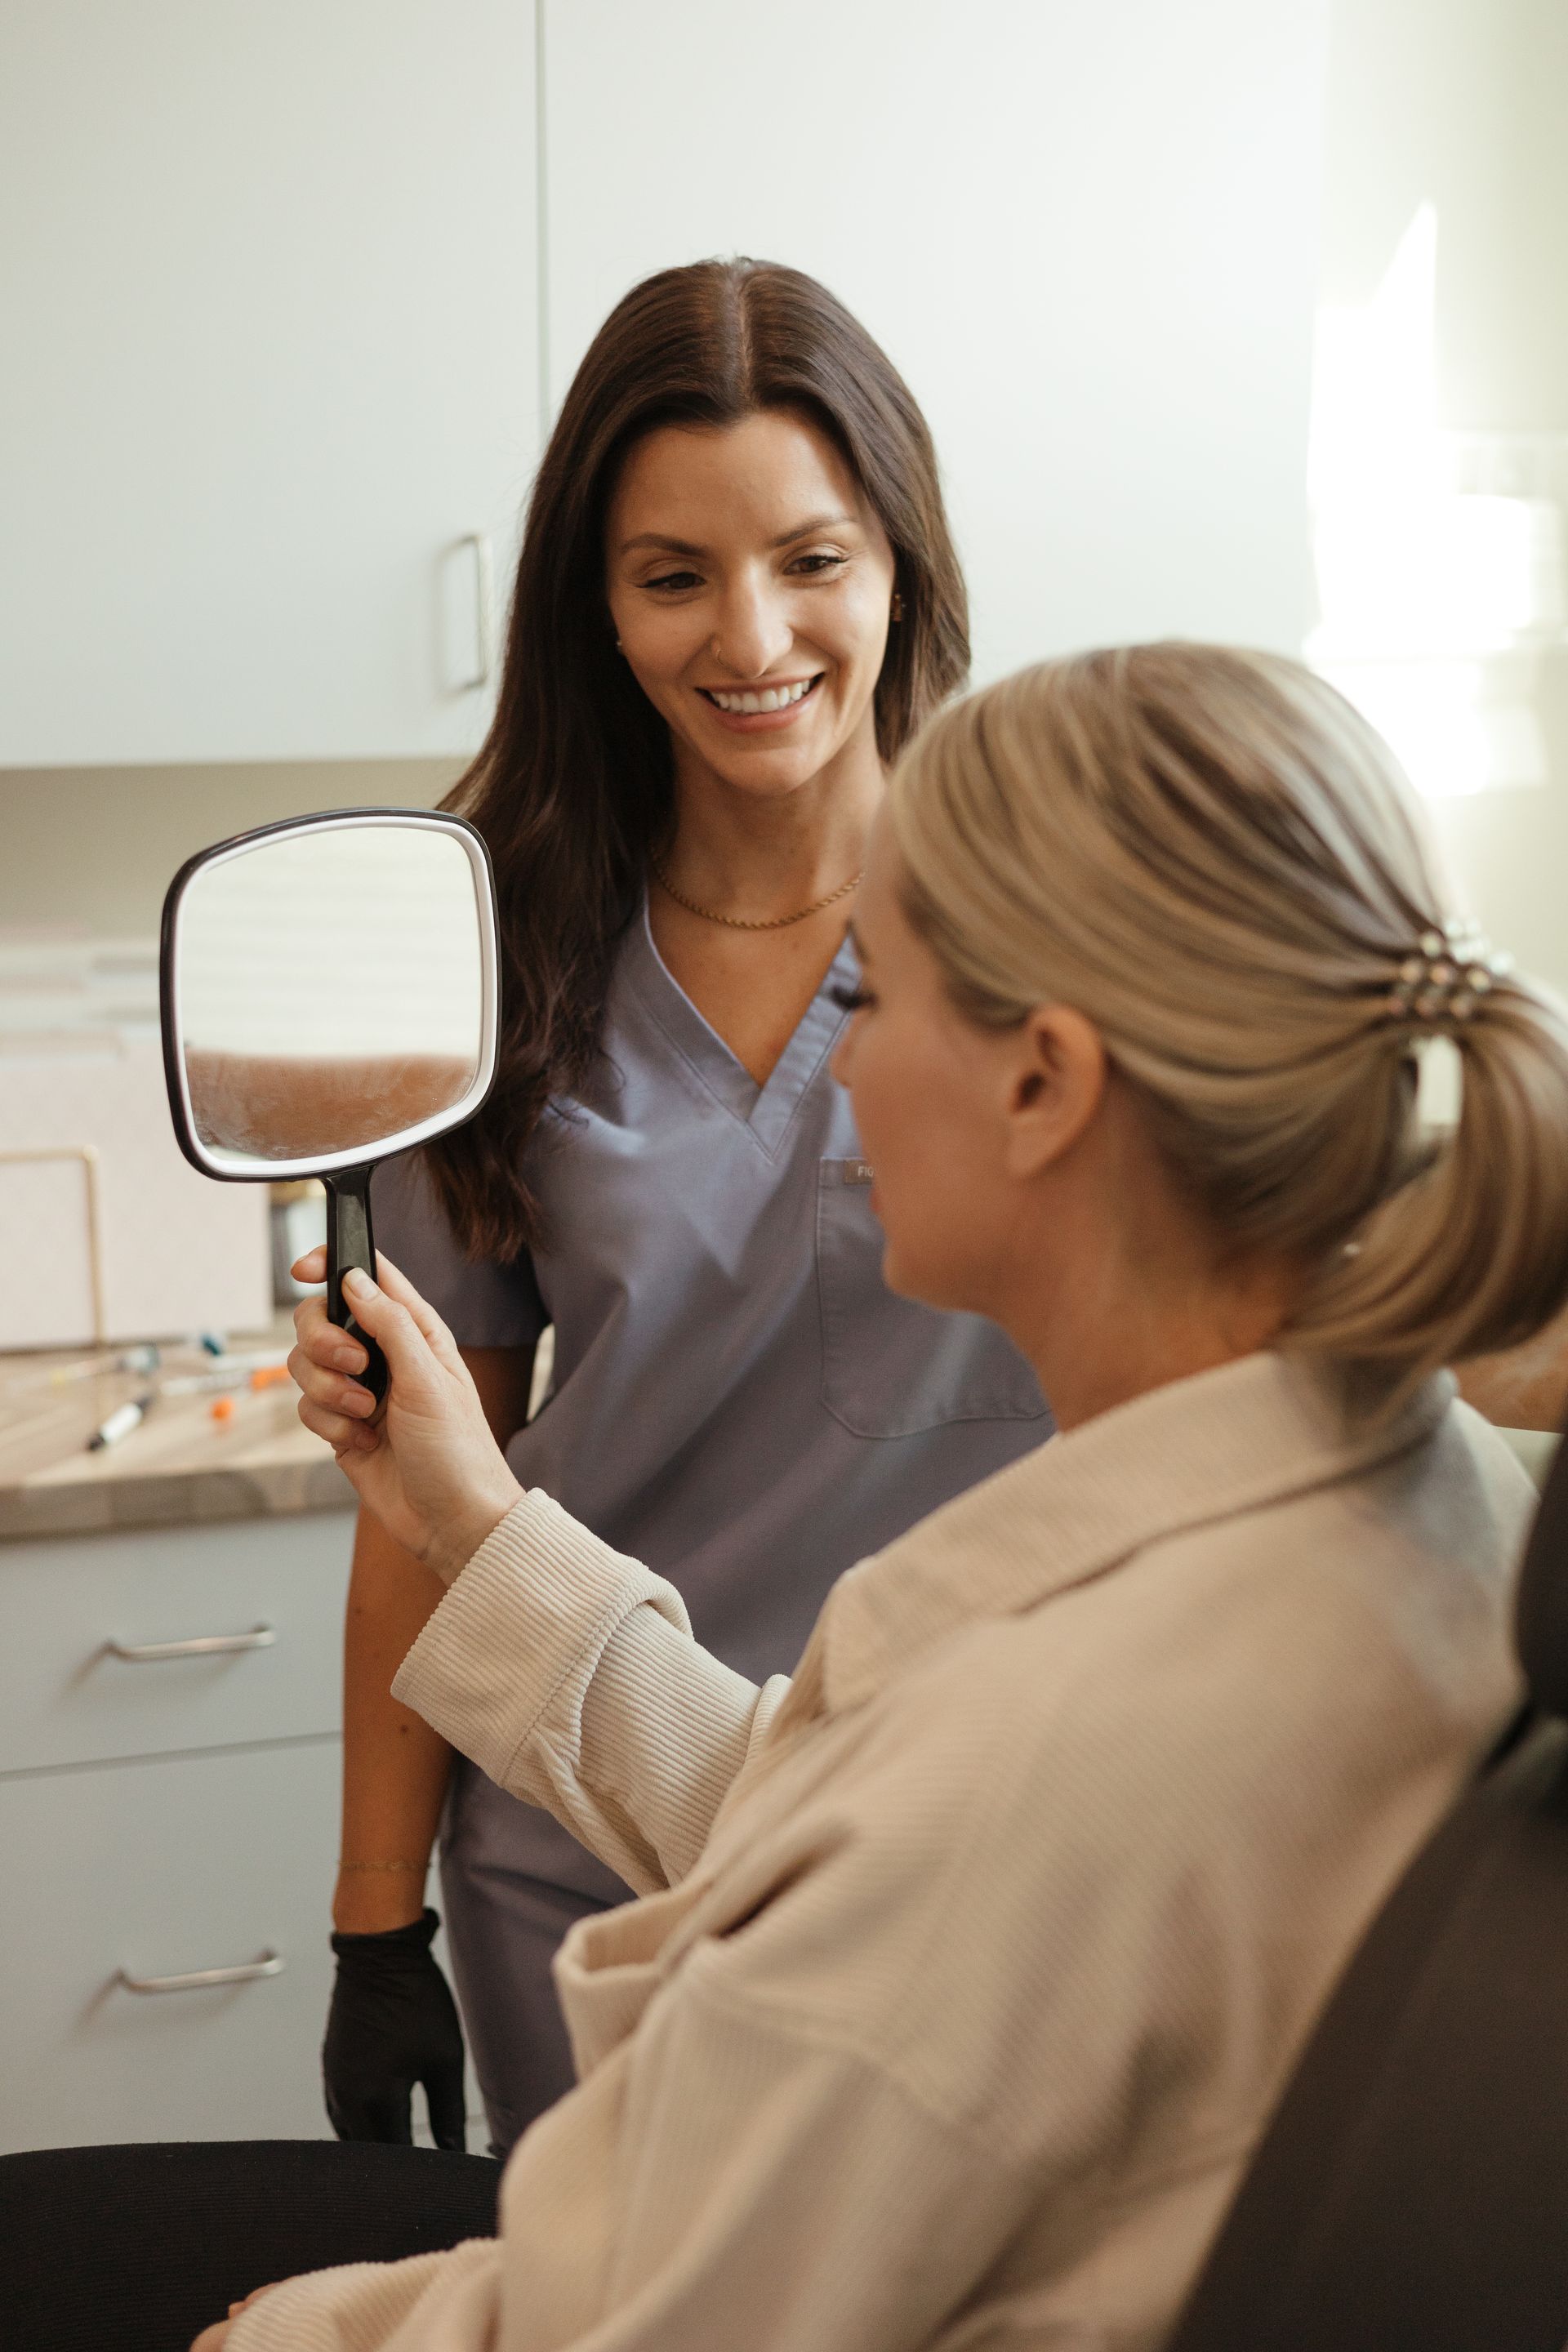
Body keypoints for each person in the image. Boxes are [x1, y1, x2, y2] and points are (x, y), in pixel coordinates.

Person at [203, 641, 1567, 2351]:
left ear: (1042, 1083)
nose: (835, 1070)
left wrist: (291, 2336)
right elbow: (847, 1814)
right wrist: (476, 1528)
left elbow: (655, 2318)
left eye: (873, 1001)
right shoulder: (1396, 1488)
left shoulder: (1056, 1763)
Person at [328, 257, 1048, 2157]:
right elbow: (433, 1486)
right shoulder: (502, 947)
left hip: (964, 1845)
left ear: (901, 565)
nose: (755, 636)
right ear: (598, 605)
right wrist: (369, 1922)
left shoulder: (1052, 905)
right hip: (581, 1860)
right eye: (674, 576)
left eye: (813, 560)